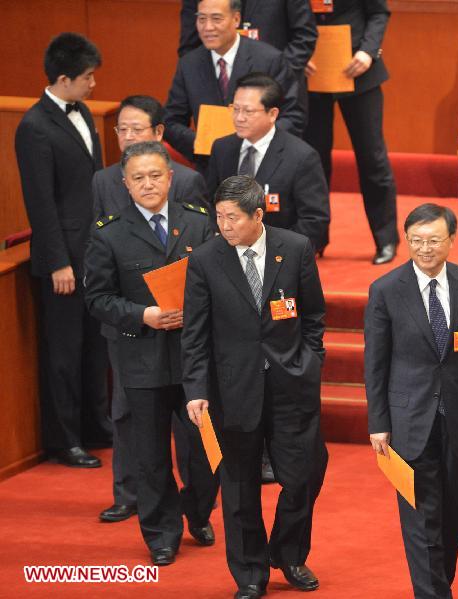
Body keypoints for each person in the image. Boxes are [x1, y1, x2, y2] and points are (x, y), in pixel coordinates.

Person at [182, 175, 328, 599]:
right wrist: (196, 388)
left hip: (290, 383)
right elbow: (194, 333)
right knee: (239, 485)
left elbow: (314, 315)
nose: (225, 226)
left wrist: (310, 362)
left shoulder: (295, 248)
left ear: (258, 215)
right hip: (233, 389)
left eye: (233, 218)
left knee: (303, 475)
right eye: (220, 217)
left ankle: (289, 553)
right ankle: (249, 572)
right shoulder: (206, 259)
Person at [84, 141, 217, 566]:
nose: (148, 184)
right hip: (142, 359)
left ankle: (196, 511)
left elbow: (219, 281)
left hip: (196, 358)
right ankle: (161, 532)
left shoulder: (197, 223)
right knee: (150, 453)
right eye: (138, 178)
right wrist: (144, 314)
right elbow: (98, 298)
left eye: (155, 175)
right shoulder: (109, 232)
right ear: (125, 184)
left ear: (170, 178)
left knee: (206, 451)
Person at [365, 203, 458, 599]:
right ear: (407, 240)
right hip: (409, 420)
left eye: (434, 240)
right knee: (421, 518)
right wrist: (378, 421)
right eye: (416, 241)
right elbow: (375, 362)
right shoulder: (386, 290)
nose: (425, 249)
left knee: (454, 512)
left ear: (451, 241)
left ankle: (440, 582)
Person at [14, 32, 110, 468]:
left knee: (95, 345)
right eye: (88, 77)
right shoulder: (33, 127)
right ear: (65, 78)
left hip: (92, 252)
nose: (93, 85)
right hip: (64, 261)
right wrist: (58, 262)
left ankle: (96, 425)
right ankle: (64, 438)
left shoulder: (85, 112)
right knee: (64, 352)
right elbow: (41, 202)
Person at [304, 0, 399, 264]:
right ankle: (315, 239)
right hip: (311, 73)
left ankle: (386, 239)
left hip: (358, 69)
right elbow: (283, 16)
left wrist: (368, 52)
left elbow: (378, 12)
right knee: (312, 161)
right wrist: (296, 54)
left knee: (372, 157)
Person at [164, 0, 304, 166]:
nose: (208, 27)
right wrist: (201, 142)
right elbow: (171, 121)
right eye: (202, 19)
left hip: (263, 164)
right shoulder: (189, 64)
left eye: (216, 19)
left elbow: (293, 116)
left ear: (236, 19)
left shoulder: (269, 60)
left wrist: (255, 142)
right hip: (211, 167)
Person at [207, 73, 329, 252]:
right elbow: (209, 201)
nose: (239, 118)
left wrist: (279, 254)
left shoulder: (301, 156)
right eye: (236, 109)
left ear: (272, 114)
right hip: (227, 251)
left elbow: (314, 220)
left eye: (248, 111)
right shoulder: (222, 148)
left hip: (278, 255)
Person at [178, 0, 317, 120]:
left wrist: (277, 74)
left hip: (274, 93)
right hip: (217, 95)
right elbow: (189, 46)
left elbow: (304, 36)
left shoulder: (274, 66)